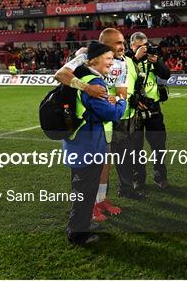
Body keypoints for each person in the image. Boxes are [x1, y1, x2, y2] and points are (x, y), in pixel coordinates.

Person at [55, 28, 137, 222]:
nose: (123, 47)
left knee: (104, 164)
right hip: (85, 122)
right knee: (84, 168)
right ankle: (85, 206)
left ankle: (99, 200)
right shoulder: (85, 56)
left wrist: (116, 98)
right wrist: (87, 88)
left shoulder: (123, 63)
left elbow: (122, 90)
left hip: (106, 120)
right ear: (105, 43)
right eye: (119, 43)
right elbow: (60, 74)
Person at [64, 42, 126, 245]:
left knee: (79, 188)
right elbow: (111, 113)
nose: (111, 62)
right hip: (89, 145)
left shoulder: (78, 78)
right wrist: (121, 100)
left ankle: (78, 225)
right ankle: (78, 233)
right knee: (86, 189)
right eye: (108, 58)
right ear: (94, 60)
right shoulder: (93, 81)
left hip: (75, 144)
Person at [124, 31, 171, 190]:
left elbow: (166, 74)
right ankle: (138, 178)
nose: (143, 50)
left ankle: (160, 176)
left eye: (144, 46)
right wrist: (136, 58)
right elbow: (123, 77)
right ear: (131, 46)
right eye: (138, 47)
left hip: (154, 107)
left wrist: (157, 62)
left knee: (159, 145)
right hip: (135, 109)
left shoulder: (153, 57)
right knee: (136, 147)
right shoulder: (127, 60)